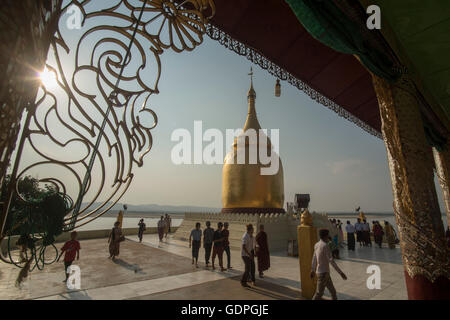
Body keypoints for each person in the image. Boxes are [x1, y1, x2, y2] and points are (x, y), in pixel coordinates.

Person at [311, 229, 347, 300]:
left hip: (324, 273)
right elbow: (331, 261)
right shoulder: (325, 246)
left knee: (333, 292)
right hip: (323, 274)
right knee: (319, 294)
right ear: (326, 236)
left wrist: (312, 269)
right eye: (328, 235)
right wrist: (341, 273)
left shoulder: (316, 245)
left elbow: (314, 258)